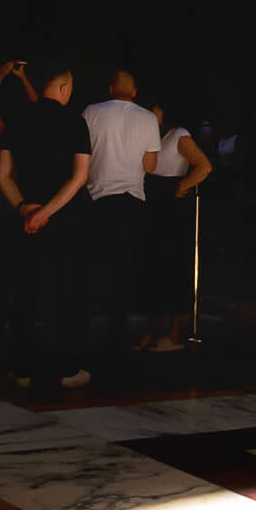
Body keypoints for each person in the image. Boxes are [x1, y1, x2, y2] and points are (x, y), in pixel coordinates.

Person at [0, 63, 94, 391]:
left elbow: (2, 175)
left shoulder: (16, 120)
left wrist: (26, 207)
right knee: (70, 292)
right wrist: (48, 212)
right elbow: (79, 177)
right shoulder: (75, 122)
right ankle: (68, 368)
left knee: (26, 290)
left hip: (26, 217)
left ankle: (21, 367)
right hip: (68, 219)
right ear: (64, 88)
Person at [82, 70, 159, 354]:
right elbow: (150, 166)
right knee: (124, 269)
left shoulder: (92, 112)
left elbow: (81, 152)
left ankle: (84, 324)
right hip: (132, 199)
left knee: (93, 265)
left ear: (111, 88)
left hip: (98, 196)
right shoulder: (148, 118)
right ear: (135, 91)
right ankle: (118, 328)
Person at [140, 99, 212, 351]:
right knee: (153, 268)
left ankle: (173, 332)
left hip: (171, 203)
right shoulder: (154, 137)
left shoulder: (179, 135)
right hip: (154, 201)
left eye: (155, 111)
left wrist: (181, 187)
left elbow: (204, 165)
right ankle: (153, 329)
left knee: (173, 266)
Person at [0, 58, 36, 136]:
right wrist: (23, 76)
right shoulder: (39, 129)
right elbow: (38, 104)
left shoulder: (11, 136)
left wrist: (0, 75)